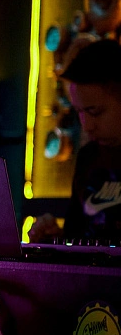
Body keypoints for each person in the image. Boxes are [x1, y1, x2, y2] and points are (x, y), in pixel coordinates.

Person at [28, 37, 121, 244]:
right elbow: (77, 236)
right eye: (80, 112)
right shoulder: (88, 157)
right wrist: (54, 239)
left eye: (94, 111)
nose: (86, 126)